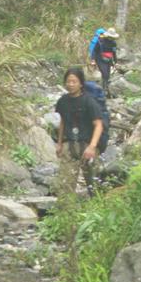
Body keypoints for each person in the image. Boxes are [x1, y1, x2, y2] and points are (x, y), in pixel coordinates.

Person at [55, 66, 104, 197]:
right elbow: (63, 122)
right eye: (68, 81)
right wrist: (59, 143)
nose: (71, 84)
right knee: (65, 185)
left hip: (87, 145)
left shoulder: (89, 101)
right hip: (69, 145)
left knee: (94, 184)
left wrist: (92, 147)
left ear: (81, 84)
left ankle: (97, 206)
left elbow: (98, 125)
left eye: (74, 81)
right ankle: (65, 207)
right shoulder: (62, 101)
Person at [91, 27, 118, 96]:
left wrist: (116, 62)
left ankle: (105, 89)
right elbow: (94, 50)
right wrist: (93, 60)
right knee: (105, 73)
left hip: (108, 60)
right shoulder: (101, 40)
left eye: (112, 37)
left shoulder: (114, 43)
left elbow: (114, 53)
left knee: (107, 75)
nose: (111, 38)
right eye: (110, 37)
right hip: (99, 58)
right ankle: (104, 90)